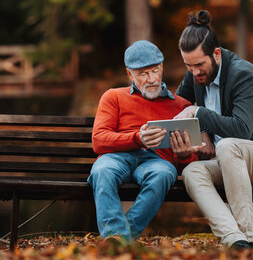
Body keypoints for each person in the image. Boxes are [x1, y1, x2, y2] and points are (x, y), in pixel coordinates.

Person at [172, 10, 253, 249]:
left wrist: (199, 114)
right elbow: (179, 106)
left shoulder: (244, 75)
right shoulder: (194, 75)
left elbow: (240, 129)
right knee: (192, 173)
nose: (195, 72)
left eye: (199, 64)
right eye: (188, 66)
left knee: (228, 145)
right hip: (228, 160)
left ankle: (249, 239)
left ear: (216, 54)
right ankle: (235, 240)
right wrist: (204, 134)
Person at [87, 40, 211, 244]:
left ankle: (119, 238)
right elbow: (99, 141)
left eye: (155, 71)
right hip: (117, 157)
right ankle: (116, 235)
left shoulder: (181, 106)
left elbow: (189, 159)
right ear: (130, 74)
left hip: (157, 161)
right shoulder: (113, 97)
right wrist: (137, 138)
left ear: (162, 68)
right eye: (143, 74)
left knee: (163, 174)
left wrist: (183, 154)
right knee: (102, 171)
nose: (151, 79)